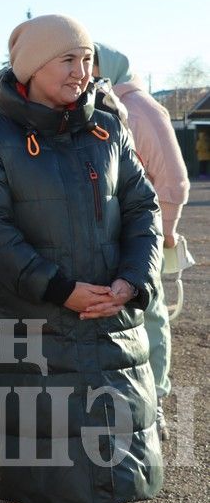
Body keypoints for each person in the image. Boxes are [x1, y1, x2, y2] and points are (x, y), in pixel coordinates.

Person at [0, 14, 164, 503]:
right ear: (32, 69)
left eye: (87, 58)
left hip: (112, 327)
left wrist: (133, 282)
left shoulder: (109, 131)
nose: (82, 70)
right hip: (37, 333)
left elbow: (143, 211)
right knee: (51, 482)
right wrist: (58, 288)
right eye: (68, 59)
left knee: (116, 475)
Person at [95, 42, 190, 440]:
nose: (85, 71)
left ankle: (159, 400)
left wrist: (163, 232)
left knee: (149, 316)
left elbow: (174, 180)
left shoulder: (143, 110)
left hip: (142, 232)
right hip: (108, 234)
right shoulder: (98, 103)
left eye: (93, 63)